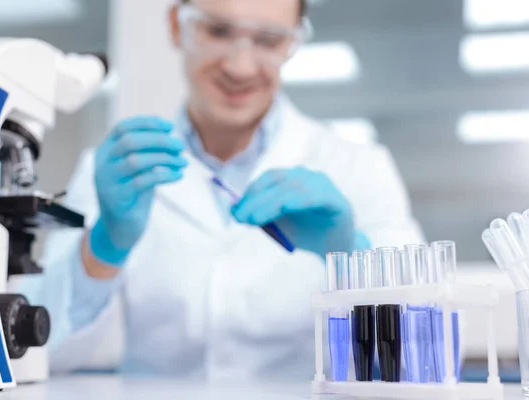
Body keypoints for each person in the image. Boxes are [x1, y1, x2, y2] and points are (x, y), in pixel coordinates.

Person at [26, 0, 424, 381]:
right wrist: (103, 247)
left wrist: (352, 254)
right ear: (175, 25)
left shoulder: (359, 166)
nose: (239, 66)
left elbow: (419, 358)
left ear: (293, 42)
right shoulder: (118, 170)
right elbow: (43, 354)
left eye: (269, 40)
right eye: (217, 31)